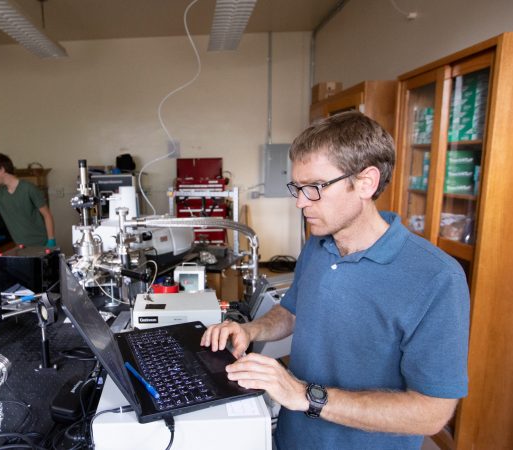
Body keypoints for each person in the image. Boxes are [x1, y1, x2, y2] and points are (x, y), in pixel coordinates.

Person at [201, 111, 469, 449]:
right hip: (293, 438)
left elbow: (432, 413)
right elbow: (294, 311)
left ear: (366, 182)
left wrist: (303, 396)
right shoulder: (319, 243)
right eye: (297, 187)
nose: (300, 202)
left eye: (314, 188)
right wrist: (249, 330)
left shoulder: (436, 277)